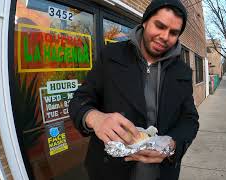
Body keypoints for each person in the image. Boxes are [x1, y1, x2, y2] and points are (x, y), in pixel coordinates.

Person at [69, 0, 199, 179]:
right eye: (159, 26)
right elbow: (80, 99)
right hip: (109, 170)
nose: (164, 36)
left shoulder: (182, 71)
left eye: (173, 32)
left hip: (161, 173)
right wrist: (95, 118)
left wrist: (173, 145)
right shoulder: (111, 55)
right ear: (145, 22)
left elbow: (189, 118)